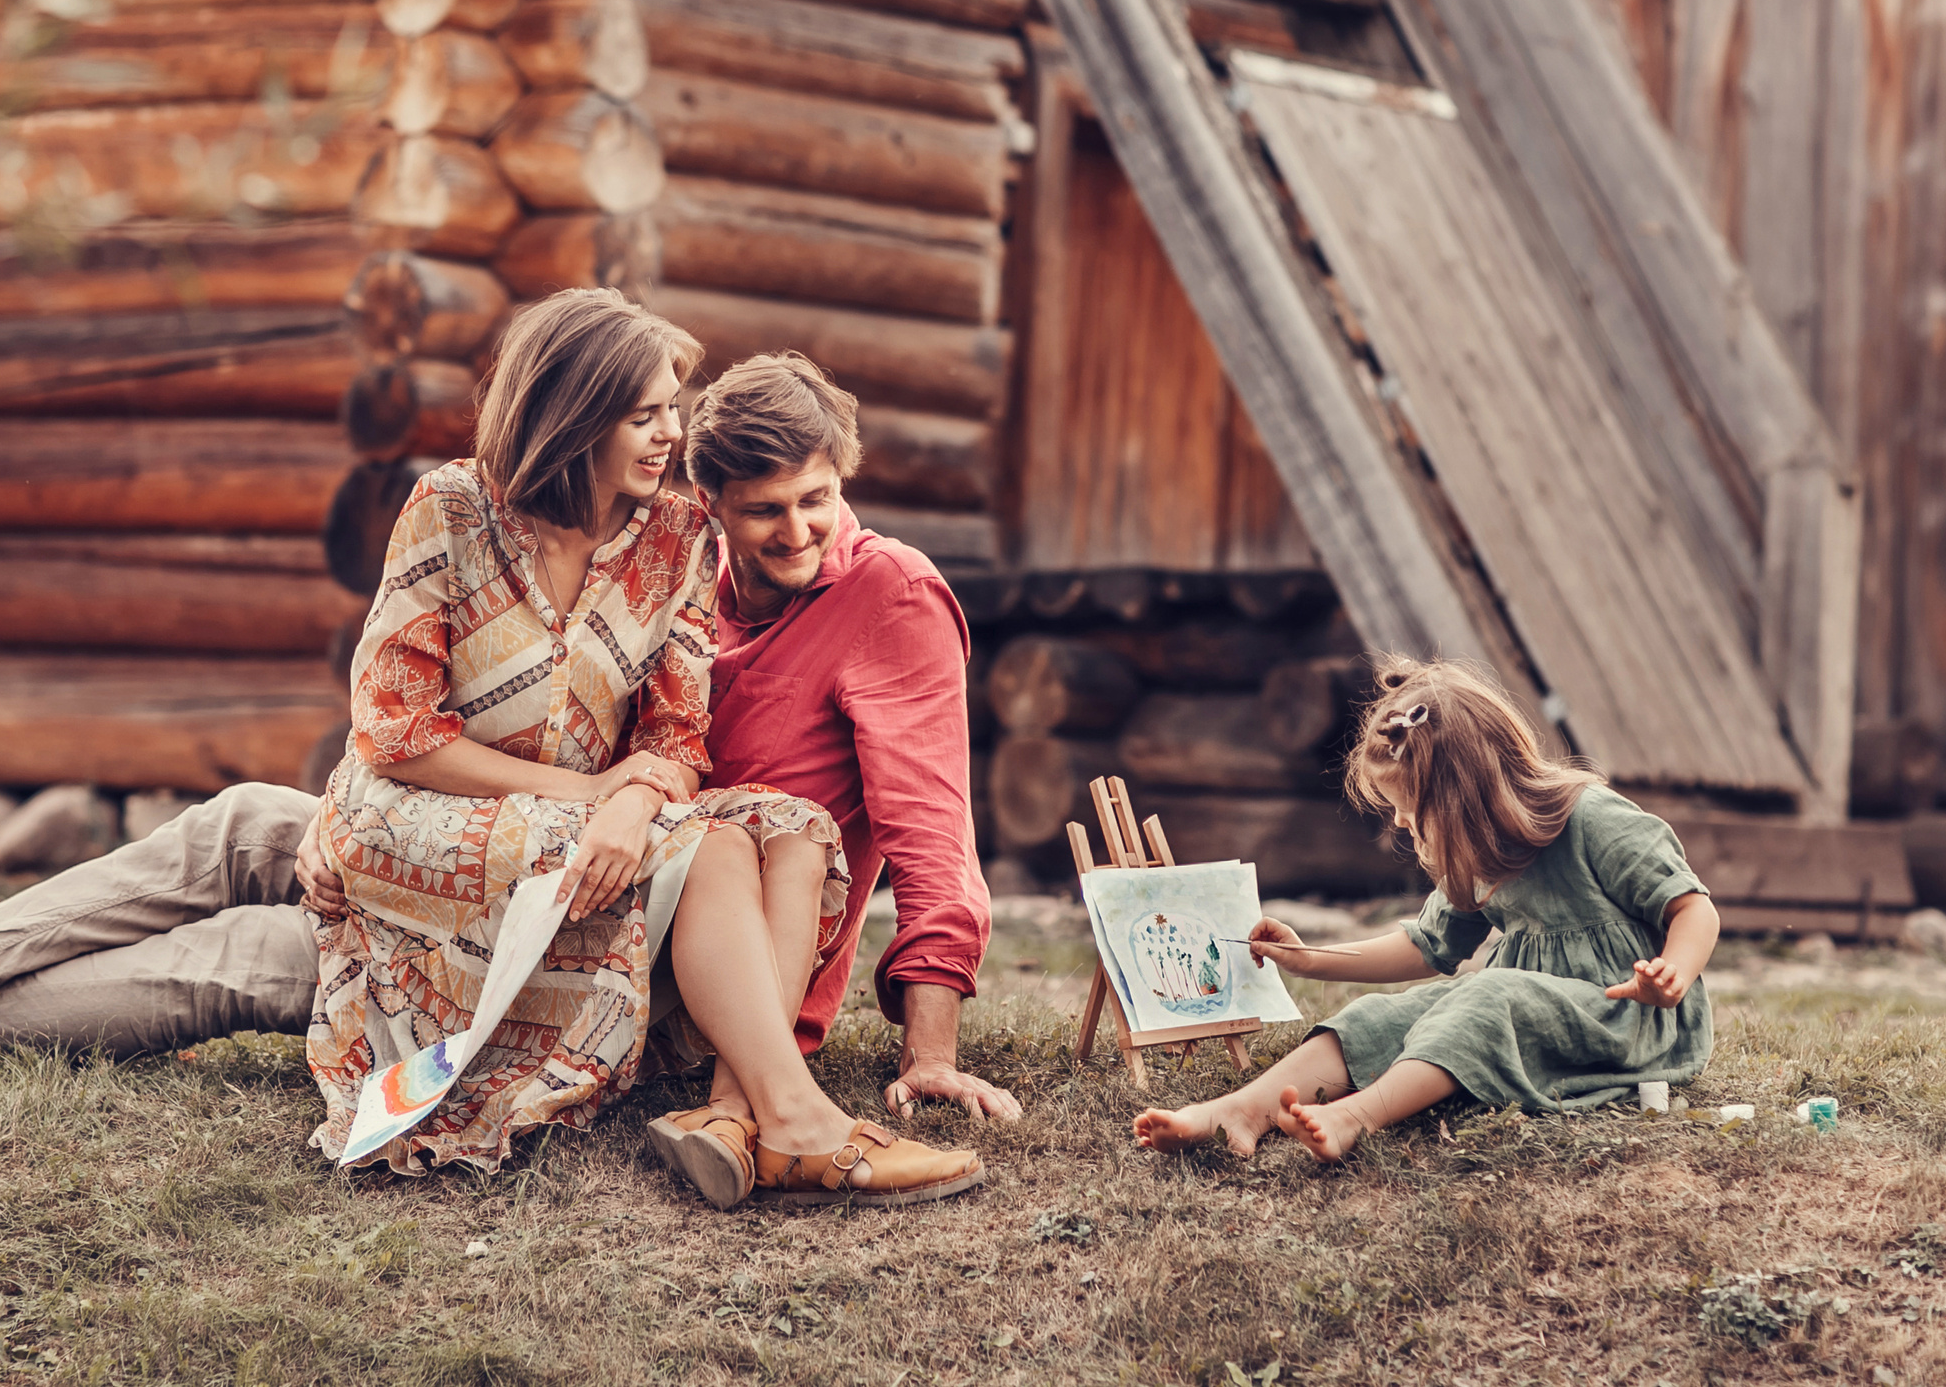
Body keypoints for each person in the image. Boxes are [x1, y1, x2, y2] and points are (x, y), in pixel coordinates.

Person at [0, 294, 983, 1208]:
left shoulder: (750, 558)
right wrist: (610, 791)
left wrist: (926, 1038)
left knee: (255, 954)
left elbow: (878, 806)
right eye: (657, 416)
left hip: (602, 903)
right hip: (505, 850)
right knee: (246, 821)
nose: (687, 450)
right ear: (580, 418)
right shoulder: (500, 516)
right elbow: (402, 730)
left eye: (812, 500)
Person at [651, 353, 1018, 1176]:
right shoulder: (677, 588)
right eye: (763, 512)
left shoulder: (891, 595)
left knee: (780, 830)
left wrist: (931, 1053)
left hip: (764, 955)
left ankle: (742, 1105)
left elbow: (930, 829)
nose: (795, 532)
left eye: (816, 500)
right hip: (641, 931)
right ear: (708, 506)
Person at [1131, 654, 1719, 1163]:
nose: (1403, 823)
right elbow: (1426, 947)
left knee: (1484, 996)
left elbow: (1693, 909)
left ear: (1467, 792)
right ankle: (1240, 1110)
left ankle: (1353, 1118)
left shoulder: (1594, 818)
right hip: (1531, 1008)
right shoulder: (1479, 850)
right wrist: (1310, 959)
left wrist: (1674, 973)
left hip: (1630, 1020)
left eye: (1411, 806)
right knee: (1387, 1015)